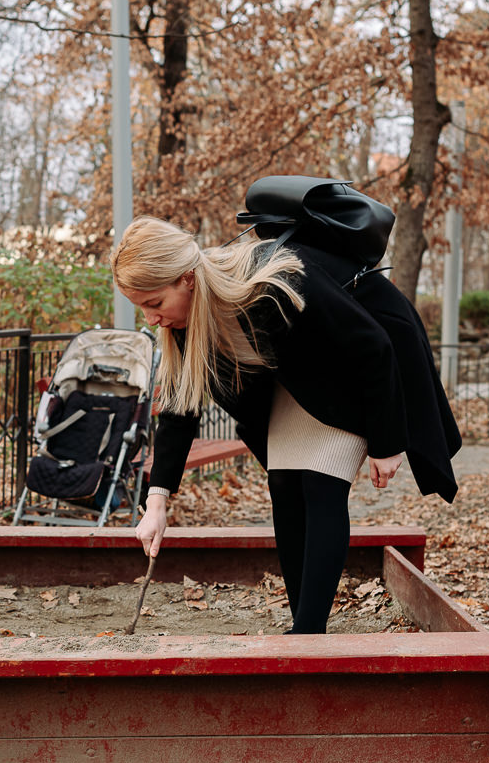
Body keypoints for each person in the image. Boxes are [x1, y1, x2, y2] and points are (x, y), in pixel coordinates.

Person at [112, 215, 460, 634]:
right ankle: (303, 629)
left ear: (187, 279)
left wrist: (387, 443)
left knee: (321, 483)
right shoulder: (186, 322)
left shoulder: (275, 281)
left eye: (154, 303)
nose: (151, 319)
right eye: (142, 307)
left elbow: (371, 346)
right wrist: (157, 502)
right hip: (302, 381)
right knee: (285, 486)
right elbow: (178, 412)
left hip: (360, 366)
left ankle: (308, 635)